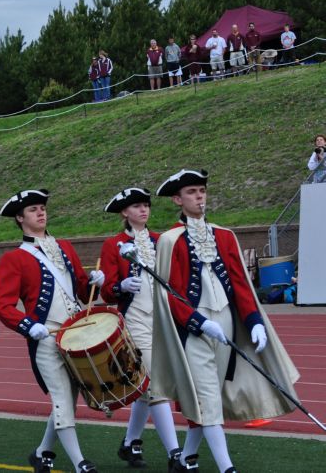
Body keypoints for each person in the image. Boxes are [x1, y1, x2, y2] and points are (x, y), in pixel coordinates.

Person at [151, 169, 300, 472]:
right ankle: (226, 467)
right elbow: (171, 295)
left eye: (202, 191)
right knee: (206, 394)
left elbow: (241, 285)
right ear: (178, 199)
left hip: (227, 323)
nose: (199, 197)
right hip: (194, 328)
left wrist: (255, 320)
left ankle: (186, 457)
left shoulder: (224, 235)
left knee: (212, 393)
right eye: (192, 192)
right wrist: (198, 322)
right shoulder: (170, 240)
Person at [0, 189, 104, 473]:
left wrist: (95, 281)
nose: (41, 212)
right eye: (33, 210)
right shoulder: (14, 258)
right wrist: (30, 326)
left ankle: (42, 452)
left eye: (42, 207)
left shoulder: (64, 246)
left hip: (75, 336)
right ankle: (80, 463)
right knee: (61, 398)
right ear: (19, 218)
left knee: (69, 399)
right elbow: (2, 306)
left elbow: (81, 290)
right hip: (46, 338)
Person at [99, 188, 181, 469]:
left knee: (147, 385)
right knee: (156, 384)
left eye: (146, 205)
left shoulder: (161, 240)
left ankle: (130, 443)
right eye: (137, 206)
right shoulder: (113, 244)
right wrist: (119, 286)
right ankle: (175, 454)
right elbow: (107, 293)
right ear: (125, 212)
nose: (144, 210)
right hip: (134, 318)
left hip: (162, 318)